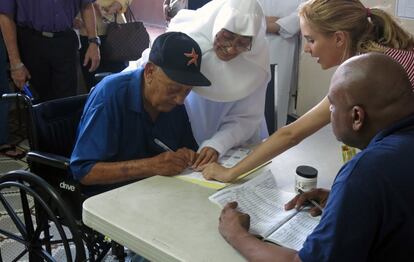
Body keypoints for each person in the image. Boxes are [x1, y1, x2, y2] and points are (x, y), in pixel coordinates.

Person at [218, 53, 414, 261]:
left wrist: (236, 234)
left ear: (356, 116)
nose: (330, 113)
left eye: (332, 106)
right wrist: (346, 201)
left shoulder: (364, 173)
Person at [202, 0, 414, 182]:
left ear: (339, 38)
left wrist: (230, 173)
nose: (306, 48)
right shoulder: (386, 56)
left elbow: (292, 134)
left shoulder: (367, 72)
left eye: (311, 40)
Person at [70, 32, 211, 187]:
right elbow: (84, 171)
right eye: (173, 89)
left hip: (153, 190)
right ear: (149, 71)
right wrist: (151, 166)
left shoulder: (173, 103)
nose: (180, 99)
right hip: (109, 195)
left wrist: (187, 156)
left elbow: (186, 147)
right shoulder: (110, 95)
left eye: (187, 91)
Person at [163, 0, 270, 169]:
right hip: (181, 129)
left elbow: (247, 117)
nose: (231, 49)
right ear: (216, 26)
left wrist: (218, 144)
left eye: (242, 43)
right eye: (227, 37)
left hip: (235, 141)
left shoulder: (257, 60)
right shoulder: (186, 37)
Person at [0, 0, 100, 102]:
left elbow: (87, 5)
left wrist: (94, 42)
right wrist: (15, 64)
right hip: (32, 43)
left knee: (68, 100)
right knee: (39, 103)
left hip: (65, 41)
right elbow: (5, 15)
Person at [258, 0, 304, 132]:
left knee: (277, 105)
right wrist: (260, 23)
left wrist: (276, 25)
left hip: (284, 46)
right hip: (248, 45)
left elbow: (306, 11)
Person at [75, 0, 130, 91]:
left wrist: (119, 3)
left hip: (116, 29)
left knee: (118, 81)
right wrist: (73, 17)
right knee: (92, 81)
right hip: (86, 31)